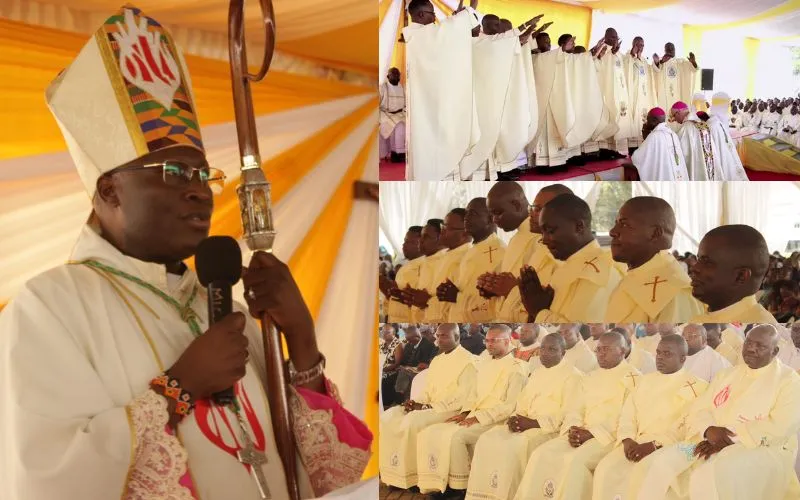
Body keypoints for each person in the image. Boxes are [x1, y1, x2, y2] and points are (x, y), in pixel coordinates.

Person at [0, 6, 372, 499]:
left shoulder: (228, 310)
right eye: (175, 173)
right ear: (109, 191)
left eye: (204, 175)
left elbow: (328, 477)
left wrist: (301, 340)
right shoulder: (49, 307)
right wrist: (180, 386)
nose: (201, 192)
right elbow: (47, 477)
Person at [633, 325, 800, 500]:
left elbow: (781, 427)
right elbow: (699, 409)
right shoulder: (727, 374)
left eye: (760, 346)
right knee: (660, 462)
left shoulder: (789, 381)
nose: (751, 348)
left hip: (758, 449)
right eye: (749, 342)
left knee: (706, 476)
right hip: (707, 440)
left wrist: (728, 439)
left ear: (775, 351)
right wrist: (708, 430)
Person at [513, 331, 640, 500]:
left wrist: (591, 433)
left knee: (575, 461)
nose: (600, 354)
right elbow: (576, 408)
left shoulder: (633, 378)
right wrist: (573, 428)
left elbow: (626, 416)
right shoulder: (592, 376)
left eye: (606, 349)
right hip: (580, 432)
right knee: (541, 454)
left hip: (607, 437)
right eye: (599, 349)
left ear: (622, 351)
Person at [465, 333, 583, 500]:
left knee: (513, 447)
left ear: (563, 353)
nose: (545, 353)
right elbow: (521, 402)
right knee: (486, 439)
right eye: (542, 348)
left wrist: (533, 423)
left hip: (547, 429)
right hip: (525, 423)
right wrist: (515, 418)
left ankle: (507, 496)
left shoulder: (574, 376)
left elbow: (568, 413)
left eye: (552, 349)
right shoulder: (537, 373)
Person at [592, 335, 708, 499]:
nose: (659, 358)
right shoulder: (644, 381)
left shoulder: (696, 386)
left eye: (667, 354)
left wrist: (655, 445)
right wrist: (627, 439)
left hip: (667, 446)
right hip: (635, 442)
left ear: (683, 358)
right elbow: (628, 414)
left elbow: (686, 426)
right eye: (658, 353)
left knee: (641, 474)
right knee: (605, 468)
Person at [416, 325, 527, 496]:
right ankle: (437, 481)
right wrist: (465, 412)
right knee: (431, 431)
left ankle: (459, 487)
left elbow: (510, 406)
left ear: (507, 341)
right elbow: (473, 394)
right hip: (475, 414)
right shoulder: (484, 364)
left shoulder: (516, 368)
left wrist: (479, 418)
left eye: (494, 341)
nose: (488, 344)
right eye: (487, 340)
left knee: (456, 438)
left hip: (495, 420)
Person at [379, 324, 477, 489]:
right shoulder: (438, 360)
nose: (438, 340)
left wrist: (425, 407)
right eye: (437, 336)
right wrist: (415, 401)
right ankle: (396, 474)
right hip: (429, 405)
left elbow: (464, 397)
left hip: (449, 409)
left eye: (444, 336)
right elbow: (428, 390)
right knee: (389, 416)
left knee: (413, 421)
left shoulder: (468, 361)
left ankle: (414, 478)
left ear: (457, 337)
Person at [402, 0, 481, 180]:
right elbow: (445, 33)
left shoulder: (420, 36)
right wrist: (467, 12)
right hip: (429, 106)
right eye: (432, 13)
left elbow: (446, 39)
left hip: (429, 103)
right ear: (421, 15)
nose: (435, 17)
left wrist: (458, 22)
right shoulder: (420, 35)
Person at [460, 15, 540, 181]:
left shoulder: (500, 42)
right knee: (484, 134)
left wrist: (530, 29)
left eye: (498, 24)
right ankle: (480, 173)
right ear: (484, 26)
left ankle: (499, 169)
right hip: (481, 98)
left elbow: (517, 42)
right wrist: (526, 25)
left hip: (498, 95)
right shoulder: (477, 42)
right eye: (494, 24)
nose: (497, 27)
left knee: (501, 132)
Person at [519, 194, 623, 322]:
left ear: (579, 226)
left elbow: (580, 328)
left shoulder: (600, 271)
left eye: (550, 231)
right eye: (543, 232)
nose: (544, 240)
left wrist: (538, 311)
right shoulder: (567, 264)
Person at [606, 197, 703, 322]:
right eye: (616, 223)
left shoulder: (673, 293)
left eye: (624, 224)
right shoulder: (634, 275)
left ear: (655, 233)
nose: (612, 231)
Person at [525, 31, 604, 171]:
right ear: (536, 42)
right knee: (546, 134)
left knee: (559, 128)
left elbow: (578, 60)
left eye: (549, 40)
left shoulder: (560, 56)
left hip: (558, 99)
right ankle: (544, 165)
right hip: (544, 102)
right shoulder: (534, 56)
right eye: (544, 41)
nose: (548, 43)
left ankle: (560, 161)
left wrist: (594, 50)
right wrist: (562, 49)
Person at [690, 225, 777, 324]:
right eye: (699, 259)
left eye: (707, 262)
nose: (694, 268)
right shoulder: (702, 319)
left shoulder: (760, 333)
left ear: (740, 276)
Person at [477, 182, 537, 321]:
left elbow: (543, 290)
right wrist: (492, 287)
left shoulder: (538, 237)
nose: (494, 220)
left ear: (516, 205)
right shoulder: (516, 238)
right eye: (491, 214)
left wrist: (512, 288)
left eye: (498, 212)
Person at [442, 198, 507, 322]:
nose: (466, 218)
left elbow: (495, 303)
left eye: (473, 214)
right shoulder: (471, 251)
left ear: (490, 218)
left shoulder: (500, 251)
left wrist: (456, 297)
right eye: (466, 213)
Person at [593, 28, 637, 158]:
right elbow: (597, 64)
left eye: (616, 37)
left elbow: (626, 64)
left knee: (620, 118)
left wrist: (631, 55)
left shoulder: (618, 53)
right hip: (607, 91)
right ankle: (605, 150)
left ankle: (615, 149)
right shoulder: (602, 49)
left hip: (620, 91)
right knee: (610, 117)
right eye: (612, 37)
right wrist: (610, 53)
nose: (615, 40)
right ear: (605, 37)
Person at [425, 209, 473, 322]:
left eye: (447, 228)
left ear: (465, 232)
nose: (442, 231)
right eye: (443, 226)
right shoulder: (446, 255)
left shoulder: (465, 257)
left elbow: (453, 297)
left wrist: (426, 300)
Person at [400, 219, 447, 321]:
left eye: (426, 237)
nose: (420, 241)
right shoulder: (426, 261)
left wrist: (427, 300)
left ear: (441, 238)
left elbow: (450, 299)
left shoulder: (445, 261)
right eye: (421, 236)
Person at [631, 107, 689, 180]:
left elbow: (637, 158)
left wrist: (646, 135)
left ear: (654, 120)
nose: (646, 122)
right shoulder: (672, 133)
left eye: (648, 119)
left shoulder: (654, 136)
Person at [381, 226, 424, 322]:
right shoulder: (404, 268)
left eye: (410, 242)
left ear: (422, 243)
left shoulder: (424, 267)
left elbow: (422, 302)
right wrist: (389, 292)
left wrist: (403, 296)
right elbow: (394, 295)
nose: (404, 245)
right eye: (405, 241)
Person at [624, 37, 658, 150]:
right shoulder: (627, 58)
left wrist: (656, 63)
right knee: (634, 118)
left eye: (642, 45)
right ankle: (632, 147)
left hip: (643, 95)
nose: (640, 47)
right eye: (638, 45)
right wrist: (633, 56)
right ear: (633, 45)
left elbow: (651, 72)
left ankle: (643, 145)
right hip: (633, 95)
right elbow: (625, 69)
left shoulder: (643, 60)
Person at [706, 92, 748, 181]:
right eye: (727, 104)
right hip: (721, 159)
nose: (728, 107)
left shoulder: (720, 119)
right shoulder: (713, 123)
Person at [652, 43, 699, 113]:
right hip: (665, 100)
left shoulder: (681, 62)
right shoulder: (662, 62)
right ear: (664, 51)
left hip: (679, 96)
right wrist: (660, 62)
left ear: (675, 50)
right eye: (668, 49)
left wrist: (693, 62)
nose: (670, 51)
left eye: (672, 49)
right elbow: (655, 70)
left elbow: (694, 69)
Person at [678, 108, 723, 180]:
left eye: (674, 115)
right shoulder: (703, 124)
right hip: (709, 163)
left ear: (678, 113)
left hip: (697, 164)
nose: (675, 119)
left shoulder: (686, 127)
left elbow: (681, 150)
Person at [379, 67, 407, 163]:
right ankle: (394, 152)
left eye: (397, 74)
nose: (395, 76)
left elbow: (406, 104)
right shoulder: (383, 88)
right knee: (394, 126)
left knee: (401, 126)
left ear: (399, 77)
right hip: (385, 114)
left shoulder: (403, 88)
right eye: (393, 74)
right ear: (388, 76)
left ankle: (398, 153)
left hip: (399, 114)